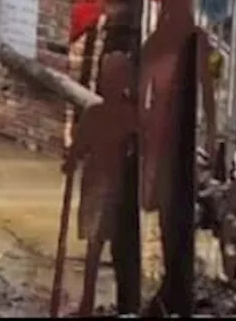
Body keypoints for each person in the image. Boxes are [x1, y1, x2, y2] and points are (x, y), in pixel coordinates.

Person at [62, 50, 139, 316]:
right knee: (94, 246)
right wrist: (70, 162)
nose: (110, 84)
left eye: (116, 78)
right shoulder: (95, 114)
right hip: (95, 184)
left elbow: (143, 146)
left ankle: (103, 300)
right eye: (107, 78)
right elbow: (77, 150)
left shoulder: (129, 116)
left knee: (108, 244)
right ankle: (88, 300)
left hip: (114, 186)